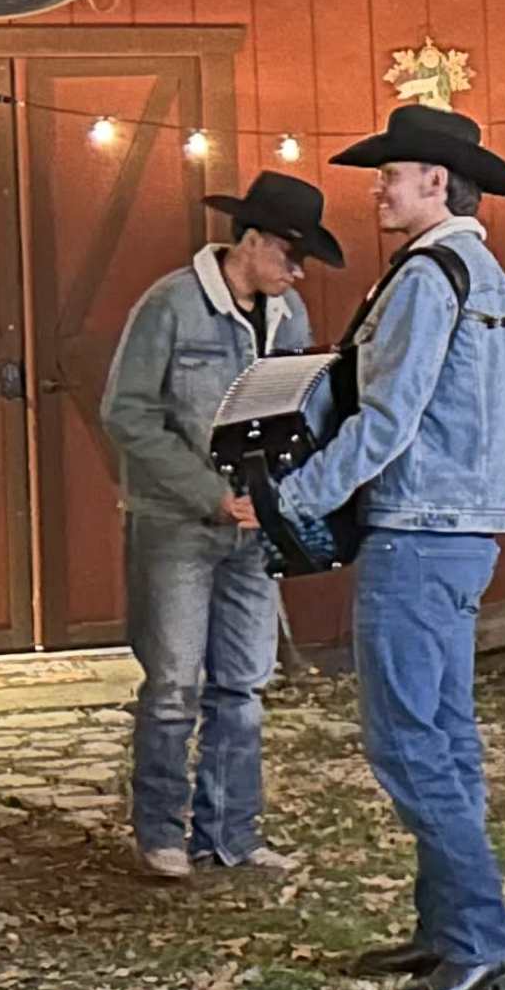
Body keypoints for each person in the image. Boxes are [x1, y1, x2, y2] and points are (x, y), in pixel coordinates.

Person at [265, 105, 505, 990]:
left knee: (405, 742)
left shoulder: (428, 275)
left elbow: (386, 421)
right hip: (470, 529)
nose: (379, 188)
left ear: (436, 182)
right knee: (444, 736)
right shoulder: (485, 272)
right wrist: (476, 422)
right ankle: (446, 931)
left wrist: (289, 499)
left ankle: (484, 940)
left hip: (418, 528)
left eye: (390, 174)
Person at [101, 169, 340, 881]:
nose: (298, 276)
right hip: (177, 522)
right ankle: (160, 832)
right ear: (255, 241)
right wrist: (209, 493)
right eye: (291, 259)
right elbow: (128, 414)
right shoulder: (170, 305)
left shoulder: (289, 321)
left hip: (254, 526)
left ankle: (231, 833)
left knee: (244, 681)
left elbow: (296, 413)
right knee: (174, 680)